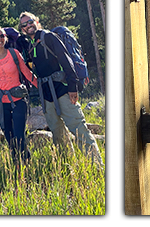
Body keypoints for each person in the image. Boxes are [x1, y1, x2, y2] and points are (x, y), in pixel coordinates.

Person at [18, 11, 102, 165]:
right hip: (47, 96)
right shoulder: (31, 45)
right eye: (24, 24)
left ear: (36, 21)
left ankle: (97, 166)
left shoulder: (49, 37)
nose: (28, 25)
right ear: (22, 29)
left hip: (63, 91)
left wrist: (72, 87)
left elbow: (66, 60)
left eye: (30, 22)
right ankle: (69, 166)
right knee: (58, 134)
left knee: (78, 129)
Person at [0, 25, 36, 162]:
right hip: (0, 103)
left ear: (6, 38)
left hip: (18, 99)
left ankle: (25, 165)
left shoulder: (14, 53)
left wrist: (41, 86)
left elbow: (27, 73)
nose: (0, 39)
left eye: (2, 36)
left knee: (19, 135)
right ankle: (17, 165)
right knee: (9, 138)